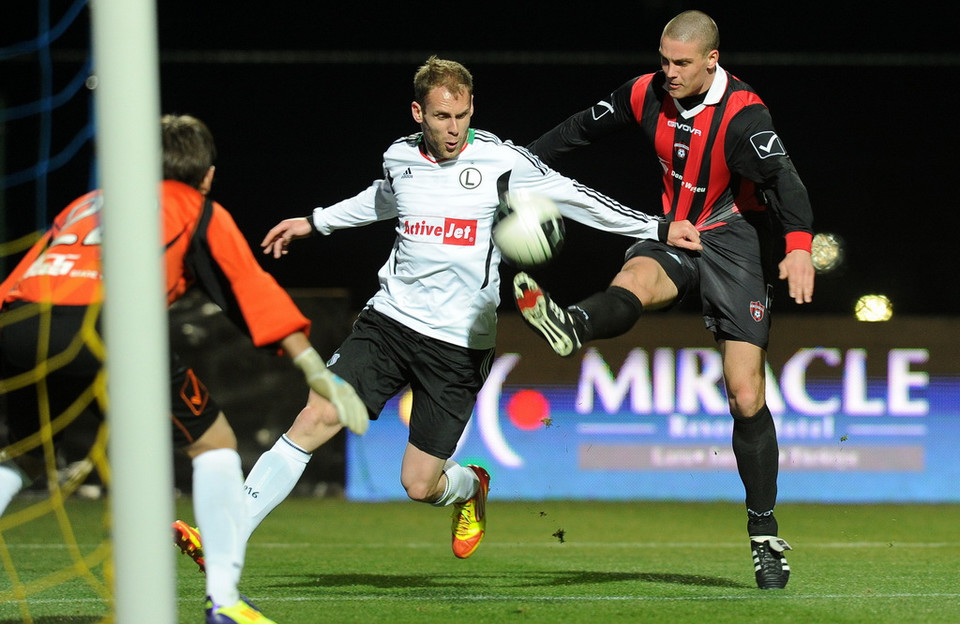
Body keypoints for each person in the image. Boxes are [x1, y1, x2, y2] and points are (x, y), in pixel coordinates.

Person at [171, 55, 701, 569]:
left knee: (419, 484)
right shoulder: (400, 157)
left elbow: (576, 197)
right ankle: (225, 531)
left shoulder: (501, 160)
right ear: (418, 113)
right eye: (442, 117)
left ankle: (471, 487)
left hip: (459, 343)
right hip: (389, 322)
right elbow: (383, 198)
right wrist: (315, 221)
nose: (454, 129)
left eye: (463, 116)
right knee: (317, 415)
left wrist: (655, 228)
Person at [0, 114, 368, 624]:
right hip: (108, 323)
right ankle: (224, 599)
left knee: (27, 455)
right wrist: (317, 371)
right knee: (214, 443)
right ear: (208, 176)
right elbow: (251, 291)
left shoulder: (88, 201)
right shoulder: (195, 206)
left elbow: (26, 274)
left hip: (22, 324)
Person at [513, 10, 815, 589]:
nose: (668, 72)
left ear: (711, 61)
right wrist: (515, 165)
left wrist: (798, 246)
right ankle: (572, 323)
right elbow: (579, 128)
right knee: (635, 284)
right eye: (663, 59)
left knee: (746, 394)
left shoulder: (746, 117)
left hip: (734, 242)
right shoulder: (643, 93)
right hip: (676, 232)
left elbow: (784, 182)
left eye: (681, 63)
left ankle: (764, 534)